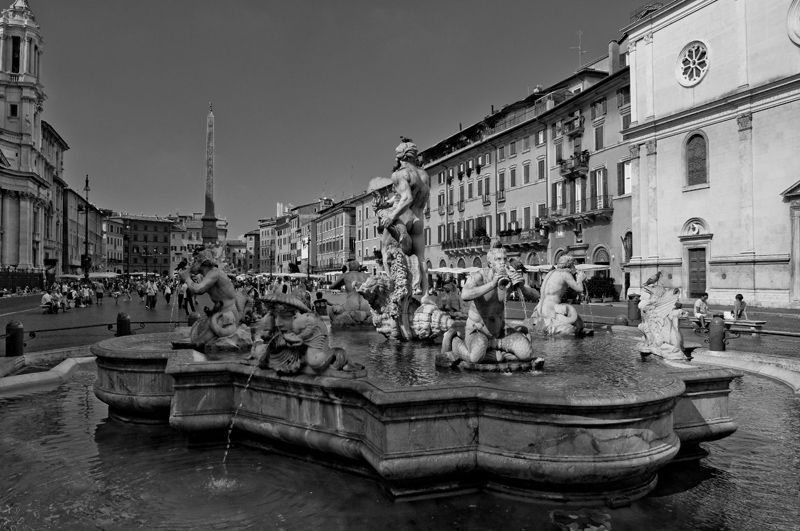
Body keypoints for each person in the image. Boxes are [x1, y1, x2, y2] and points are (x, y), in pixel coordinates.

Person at [449, 246, 539, 364]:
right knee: (475, 357)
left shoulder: (510, 277)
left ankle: (495, 352)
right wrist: (492, 284)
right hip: (478, 332)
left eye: (504, 259)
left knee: (526, 354)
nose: (502, 263)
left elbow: (536, 296)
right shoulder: (479, 276)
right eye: (498, 259)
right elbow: (465, 295)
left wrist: (521, 286)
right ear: (490, 263)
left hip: (499, 334)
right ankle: (455, 342)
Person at [378, 138, 431, 295]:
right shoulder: (424, 175)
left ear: (400, 157)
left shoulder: (400, 174)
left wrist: (392, 215)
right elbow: (410, 197)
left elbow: (406, 198)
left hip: (404, 217)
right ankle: (425, 294)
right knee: (421, 257)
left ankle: (392, 288)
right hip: (419, 219)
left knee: (385, 250)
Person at [531, 255, 588, 335]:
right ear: (569, 265)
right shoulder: (564, 274)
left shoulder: (550, 272)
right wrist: (580, 279)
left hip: (539, 308)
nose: (574, 267)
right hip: (551, 310)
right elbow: (579, 289)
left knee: (578, 322)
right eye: (573, 265)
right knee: (575, 327)